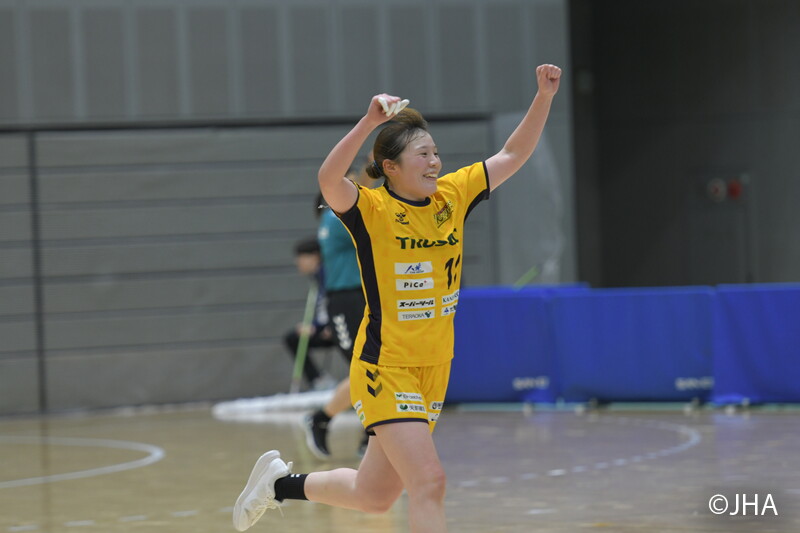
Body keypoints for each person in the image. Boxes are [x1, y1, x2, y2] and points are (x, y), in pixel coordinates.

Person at [233, 64, 562, 533]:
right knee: (429, 482)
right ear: (390, 167)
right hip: (386, 366)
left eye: (436, 153)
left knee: (374, 495)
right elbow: (328, 179)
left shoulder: (453, 195)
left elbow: (513, 152)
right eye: (422, 154)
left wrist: (543, 97)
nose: (434, 162)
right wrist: (370, 122)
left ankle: (278, 486)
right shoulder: (372, 209)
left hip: (435, 365)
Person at [304, 164, 376, 459]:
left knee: (376, 367)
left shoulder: (337, 214)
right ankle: (321, 418)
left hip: (364, 297)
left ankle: (371, 433)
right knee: (364, 369)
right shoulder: (335, 219)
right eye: (350, 184)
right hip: (346, 301)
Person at [282, 238, 337, 391]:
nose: (297, 262)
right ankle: (319, 380)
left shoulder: (328, 274)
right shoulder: (316, 278)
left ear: (314, 257)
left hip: (336, 325)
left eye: (301, 258)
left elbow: (334, 302)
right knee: (293, 338)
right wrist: (313, 326)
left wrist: (328, 326)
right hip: (324, 326)